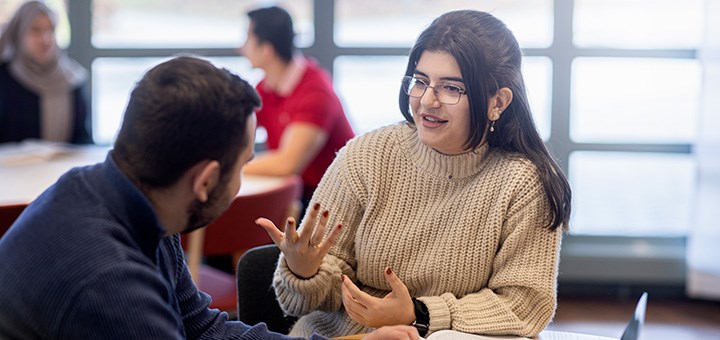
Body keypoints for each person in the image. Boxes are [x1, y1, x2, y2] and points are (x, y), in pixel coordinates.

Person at [0, 56, 418, 340]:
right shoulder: (108, 283)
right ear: (205, 181)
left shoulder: (129, 195)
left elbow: (201, 328)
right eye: (243, 165)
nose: (242, 180)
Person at [256, 10, 572, 339]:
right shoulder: (367, 155)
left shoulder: (523, 184)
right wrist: (303, 271)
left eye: (451, 88)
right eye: (420, 82)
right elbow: (303, 301)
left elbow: (524, 305)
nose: (427, 101)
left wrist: (419, 313)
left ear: (498, 102)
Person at [239, 5, 354, 206]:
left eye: (247, 39)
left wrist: (228, 168)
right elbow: (236, 133)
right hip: (302, 196)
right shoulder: (266, 87)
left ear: (266, 50)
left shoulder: (315, 91)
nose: (241, 48)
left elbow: (287, 164)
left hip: (334, 203)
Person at [0, 1, 92, 144]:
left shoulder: (72, 79)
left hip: (63, 166)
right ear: (18, 33)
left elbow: (83, 140)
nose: (45, 39)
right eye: (35, 30)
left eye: (51, 30)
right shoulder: (4, 77)